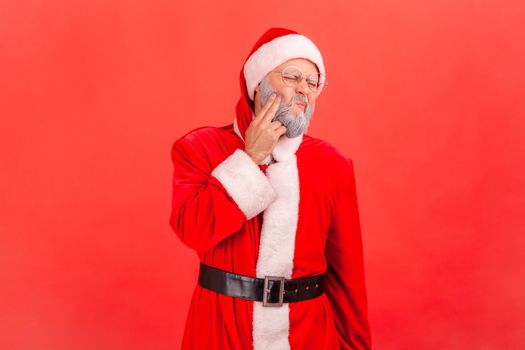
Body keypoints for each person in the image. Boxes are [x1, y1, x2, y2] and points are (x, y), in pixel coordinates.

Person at [169, 27, 372, 350]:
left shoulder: (332, 164)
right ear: (257, 85)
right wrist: (250, 159)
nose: (304, 90)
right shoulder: (200, 148)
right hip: (221, 329)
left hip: (308, 334)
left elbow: (348, 278)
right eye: (292, 77)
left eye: (312, 82)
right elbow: (194, 230)